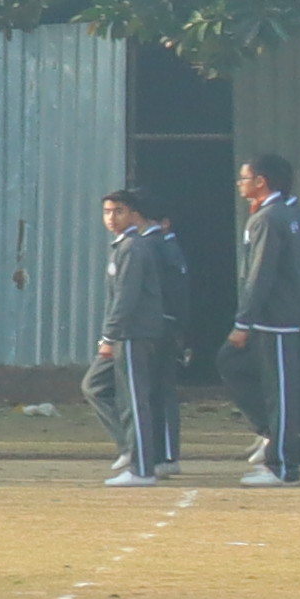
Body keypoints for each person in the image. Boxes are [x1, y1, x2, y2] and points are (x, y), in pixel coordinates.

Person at [226, 152, 300, 484]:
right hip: (290, 316)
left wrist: (243, 321)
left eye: (244, 178)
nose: (240, 184)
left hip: (277, 318)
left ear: (261, 181)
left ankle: (280, 463)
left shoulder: (268, 218)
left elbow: (259, 274)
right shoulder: (291, 213)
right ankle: (282, 443)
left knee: (281, 391)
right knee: (233, 363)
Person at [93, 191, 187, 483]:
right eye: (107, 212)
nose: (112, 218)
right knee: (103, 388)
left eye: (119, 211)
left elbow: (126, 297)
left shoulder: (134, 248)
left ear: (133, 215)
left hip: (135, 333)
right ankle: (134, 454)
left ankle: (142, 468)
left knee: (136, 400)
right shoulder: (124, 246)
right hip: (129, 332)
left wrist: (109, 336)